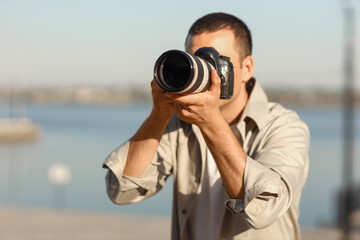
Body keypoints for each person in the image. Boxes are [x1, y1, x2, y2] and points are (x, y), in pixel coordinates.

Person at [103, 12, 310, 240]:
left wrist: (211, 122)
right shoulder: (180, 124)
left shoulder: (283, 126)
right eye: (196, 61)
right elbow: (121, 190)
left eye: (215, 61)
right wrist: (159, 115)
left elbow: (264, 209)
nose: (205, 72)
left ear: (247, 68)